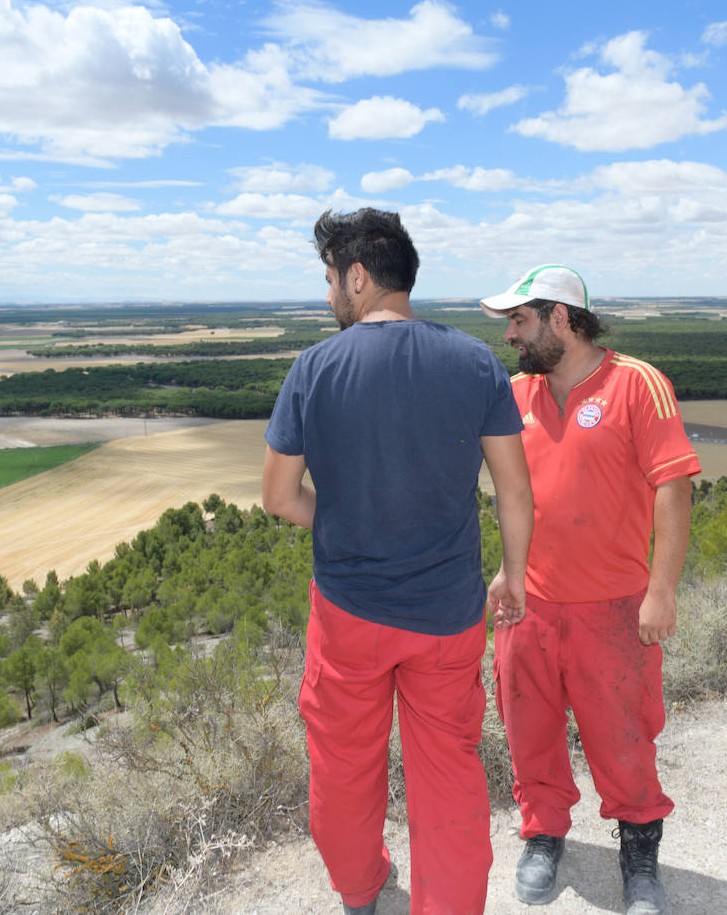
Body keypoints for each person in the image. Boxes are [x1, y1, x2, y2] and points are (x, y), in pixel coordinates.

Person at [262, 208, 533, 915]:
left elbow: (279, 497)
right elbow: (514, 490)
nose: (328, 296)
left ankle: (360, 891)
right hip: (447, 613)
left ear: (359, 277)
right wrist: (512, 573)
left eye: (329, 280)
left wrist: (347, 519)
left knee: (345, 768)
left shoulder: (313, 369)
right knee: (449, 774)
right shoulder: (475, 362)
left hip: (347, 614)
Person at [478, 264, 700, 915]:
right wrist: (506, 569)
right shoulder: (515, 394)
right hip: (529, 607)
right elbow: (514, 497)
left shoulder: (638, 384)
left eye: (520, 320)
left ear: (561, 318)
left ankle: (640, 858)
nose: (512, 335)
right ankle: (543, 836)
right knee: (530, 732)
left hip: (615, 609)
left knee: (624, 739)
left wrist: (662, 591)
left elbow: (674, 486)